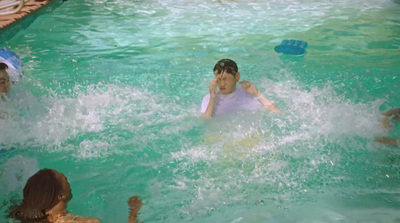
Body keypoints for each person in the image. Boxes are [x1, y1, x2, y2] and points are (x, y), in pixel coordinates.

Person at [8, 169, 142, 223]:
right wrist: (133, 212)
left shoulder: (17, 211)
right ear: (61, 196)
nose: (69, 183)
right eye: (65, 179)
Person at [201, 59, 279, 117]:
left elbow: (276, 112)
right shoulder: (209, 99)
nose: (222, 84)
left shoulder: (249, 96)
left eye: (225, 79)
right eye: (218, 79)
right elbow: (205, 123)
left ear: (237, 77)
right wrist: (212, 99)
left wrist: (257, 93)